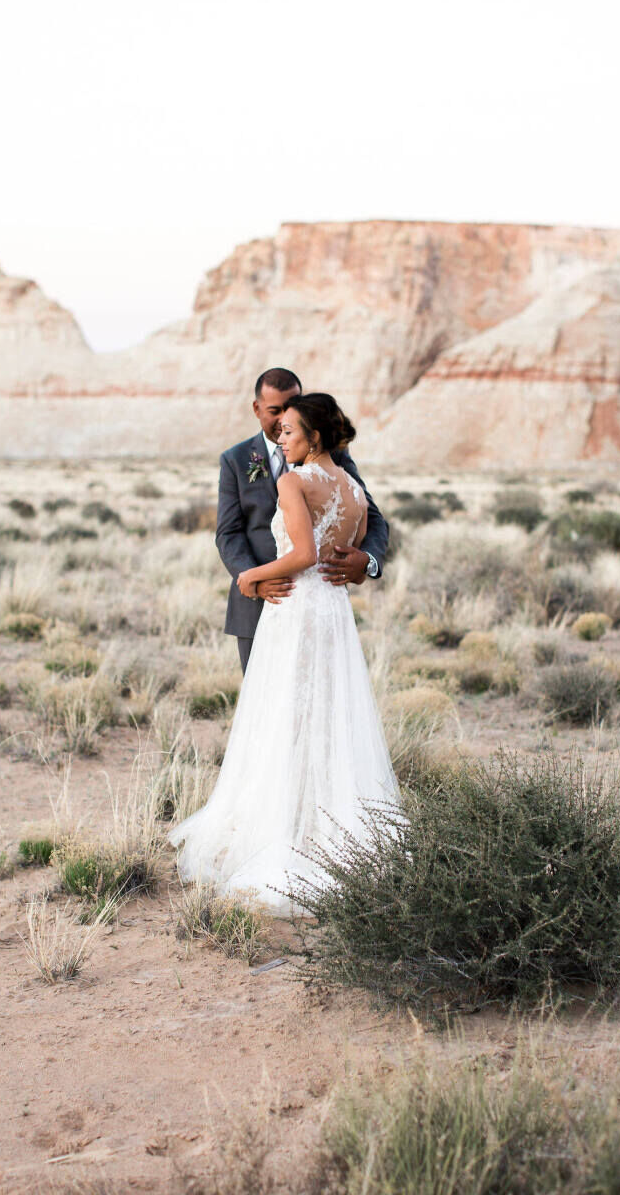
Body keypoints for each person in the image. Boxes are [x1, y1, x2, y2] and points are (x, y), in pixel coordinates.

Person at [169, 392, 400, 916]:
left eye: (289, 426)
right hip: (329, 613)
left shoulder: (298, 478)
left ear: (311, 433)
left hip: (293, 607)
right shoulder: (338, 484)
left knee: (288, 714)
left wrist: (252, 577)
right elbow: (238, 533)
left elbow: (312, 551)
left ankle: (285, 833)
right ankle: (321, 821)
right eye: (275, 422)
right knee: (310, 715)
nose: (280, 435)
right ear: (258, 410)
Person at [215, 367, 389, 672]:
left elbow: (371, 516)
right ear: (257, 409)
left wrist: (368, 562)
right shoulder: (236, 459)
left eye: (292, 406)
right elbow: (228, 533)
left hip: (316, 606)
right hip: (256, 603)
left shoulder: (335, 456)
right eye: (275, 410)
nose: (284, 417)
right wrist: (254, 580)